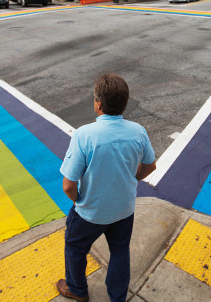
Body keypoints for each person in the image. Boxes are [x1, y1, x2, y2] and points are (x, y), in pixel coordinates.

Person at [58, 73, 156, 302]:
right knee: (120, 252)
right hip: (124, 209)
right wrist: (132, 180)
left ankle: (77, 289)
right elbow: (150, 165)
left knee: (74, 247)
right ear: (124, 104)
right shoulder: (138, 131)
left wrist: (78, 200)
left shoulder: (84, 135)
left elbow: (68, 185)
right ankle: (118, 297)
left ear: (98, 104)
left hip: (90, 212)